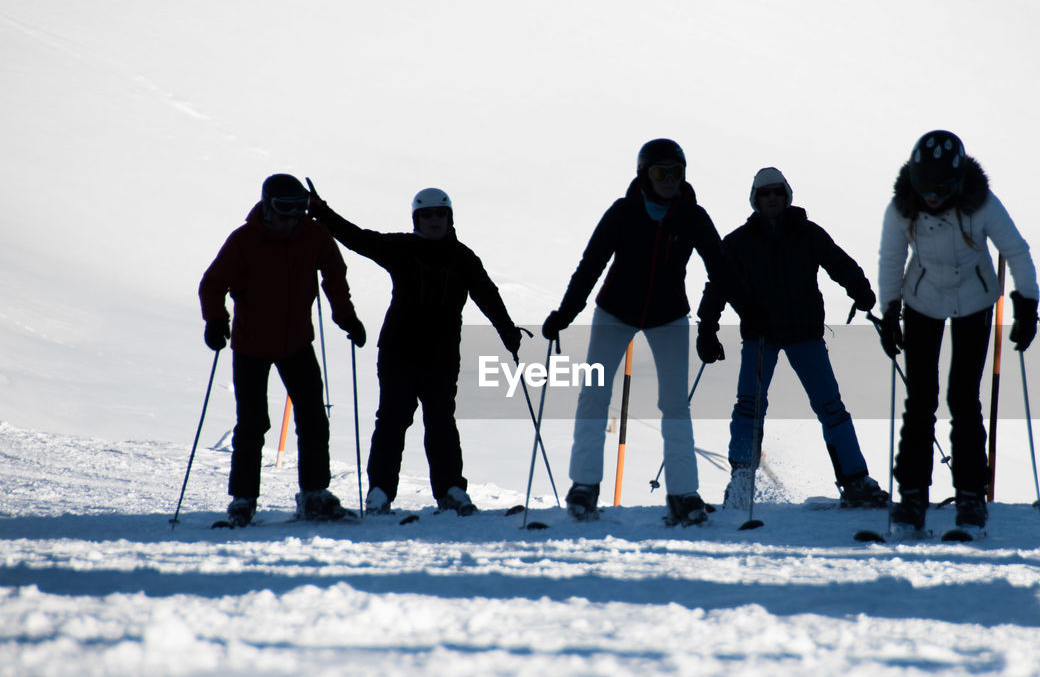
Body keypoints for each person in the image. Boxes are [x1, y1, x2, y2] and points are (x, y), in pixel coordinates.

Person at [542, 138, 746, 526]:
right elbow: (591, 266)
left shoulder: (693, 216)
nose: (669, 180)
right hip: (615, 312)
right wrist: (565, 314)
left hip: (669, 316)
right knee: (594, 396)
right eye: (660, 172)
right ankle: (584, 485)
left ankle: (683, 494)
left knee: (675, 404)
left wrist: (746, 314)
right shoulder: (622, 213)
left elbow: (721, 270)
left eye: (676, 172)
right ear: (644, 175)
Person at [307, 183, 522, 517]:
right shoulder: (402, 248)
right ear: (416, 220)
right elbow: (359, 238)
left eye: (440, 214)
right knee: (393, 420)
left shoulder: (463, 258)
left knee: (441, 422)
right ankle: (380, 492)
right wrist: (323, 212)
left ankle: (451, 489)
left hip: (442, 356)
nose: (434, 220)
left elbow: (488, 296)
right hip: (398, 352)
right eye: (427, 215)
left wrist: (508, 332)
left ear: (450, 218)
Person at [697, 167, 889, 511]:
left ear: (787, 195)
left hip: (804, 333)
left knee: (830, 407)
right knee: (749, 407)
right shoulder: (738, 242)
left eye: (777, 192)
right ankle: (742, 481)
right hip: (761, 336)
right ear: (755, 199)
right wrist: (706, 327)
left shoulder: (807, 234)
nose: (772, 198)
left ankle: (855, 481)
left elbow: (838, 263)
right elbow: (718, 285)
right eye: (764, 193)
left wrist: (860, 289)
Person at [877, 131, 1039, 537]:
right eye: (926, 188)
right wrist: (890, 309)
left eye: (943, 188)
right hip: (922, 301)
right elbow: (892, 257)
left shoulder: (981, 203)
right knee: (921, 400)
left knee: (964, 399)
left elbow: (1016, 250)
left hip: (974, 301)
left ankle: (970, 497)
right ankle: (912, 497)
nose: (933, 197)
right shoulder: (902, 209)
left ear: (958, 183)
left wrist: (1027, 304)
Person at [199, 173, 366, 526]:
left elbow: (334, 275)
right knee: (253, 423)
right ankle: (243, 499)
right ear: (267, 206)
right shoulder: (243, 240)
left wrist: (346, 317)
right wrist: (215, 320)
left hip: (296, 342)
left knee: (313, 418)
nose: (293, 219)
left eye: (300, 211)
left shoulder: (314, 234)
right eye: (285, 210)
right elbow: (213, 284)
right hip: (251, 345)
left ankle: (314, 494)